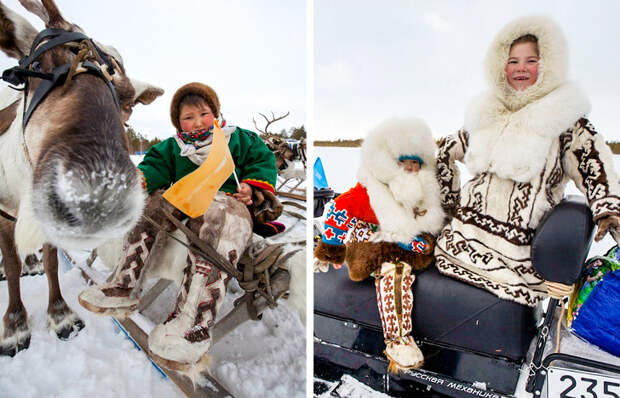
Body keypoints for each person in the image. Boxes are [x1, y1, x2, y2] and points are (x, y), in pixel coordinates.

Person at [78, 82, 282, 369]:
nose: (197, 122)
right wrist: (141, 178)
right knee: (151, 204)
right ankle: (124, 285)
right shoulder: (174, 147)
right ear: (178, 121)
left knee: (221, 219)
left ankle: (194, 322)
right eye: (188, 117)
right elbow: (155, 167)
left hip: (226, 201)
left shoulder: (238, 139)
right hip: (186, 198)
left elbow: (262, 161)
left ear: (216, 112)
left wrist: (252, 187)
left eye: (204, 113)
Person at [434, 16, 620, 308]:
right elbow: (446, 149)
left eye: (531, 60)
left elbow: (595, 170)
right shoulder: (489, 112)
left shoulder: (565, 121)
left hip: (517, 267)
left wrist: (609, 210)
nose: (520, 68)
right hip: (455, 247)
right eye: (512, 61)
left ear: (548, 64)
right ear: (500, 66)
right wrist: (442, 207)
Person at [314, 118, 445, 373]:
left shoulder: (425, 192)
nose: (408, 169)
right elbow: (339, 212)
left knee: (406, 260)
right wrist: (332, 249)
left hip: (408, 244)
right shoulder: (369, 192)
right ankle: (397, 339)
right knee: (394, 274)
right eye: (401, 163)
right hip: (372, 245)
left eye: (414, 164)